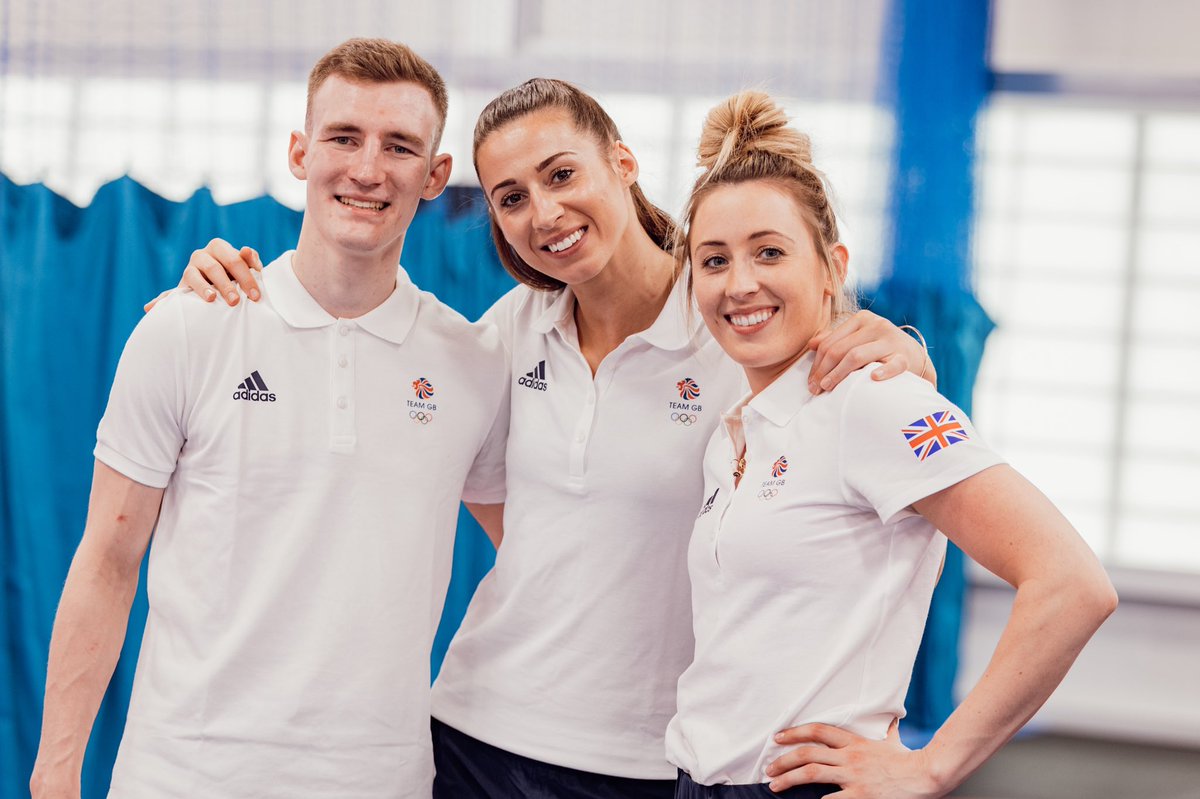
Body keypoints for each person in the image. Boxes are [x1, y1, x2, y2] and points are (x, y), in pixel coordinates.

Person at [169, 80, 931, 798]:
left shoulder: (734, 324)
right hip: (474, 736)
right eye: (511, 197)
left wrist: (909, 352)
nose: (545, 212)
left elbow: (882, 429)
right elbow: (366, 379)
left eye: (562, 174)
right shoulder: (509, 330)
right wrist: (217, 307)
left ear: (623, 163)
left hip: (654, 756)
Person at [29, 38, 510, 799]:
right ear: (298, 153)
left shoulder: (473, 363)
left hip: (378, 781)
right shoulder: (186, 328)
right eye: (344, 137)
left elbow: (543, 554)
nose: (367, 169)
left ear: (435, 175)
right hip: (182, 776)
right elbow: (107, 562)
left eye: (399, 146)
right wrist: (56, 771)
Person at [665, 90, 1117, 798]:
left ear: (832, 267)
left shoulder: (874, 400)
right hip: (697, 781)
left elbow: (1072, 583)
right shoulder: (736, 430)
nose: (740, 283)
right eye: (714, 260)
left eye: (769, 252)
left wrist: (932, 766)